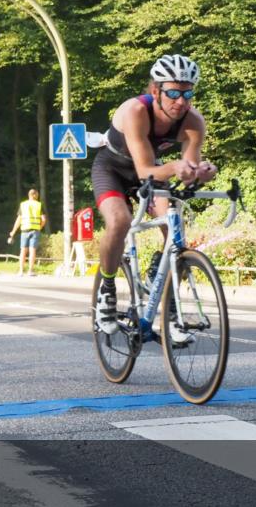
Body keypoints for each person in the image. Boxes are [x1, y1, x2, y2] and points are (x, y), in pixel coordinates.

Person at [91, 54, 217, 337]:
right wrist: (177, 167)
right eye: (173, 92)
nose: (181, 101)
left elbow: (188, 167)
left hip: (152, 171)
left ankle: (167, 298)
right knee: (119, 221)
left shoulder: (194, 122)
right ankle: (107, 289)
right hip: (112, 167)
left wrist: (201, 171)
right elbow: (145, 168)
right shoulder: (135, 111)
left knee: (174, 225)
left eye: (187, 93)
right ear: (155, 91)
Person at [8, 188, 46, 276]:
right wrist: (39, 227)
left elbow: (19, 219)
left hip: (24, 231)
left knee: (23, 251)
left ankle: (21, 271)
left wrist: (13, 232)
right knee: (32, 250)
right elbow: (43, 219)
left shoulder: (23, 205)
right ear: (34, 195)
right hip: (35, 230)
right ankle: (30, 271)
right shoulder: (39, 205)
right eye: (37, 195)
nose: (38, 196)